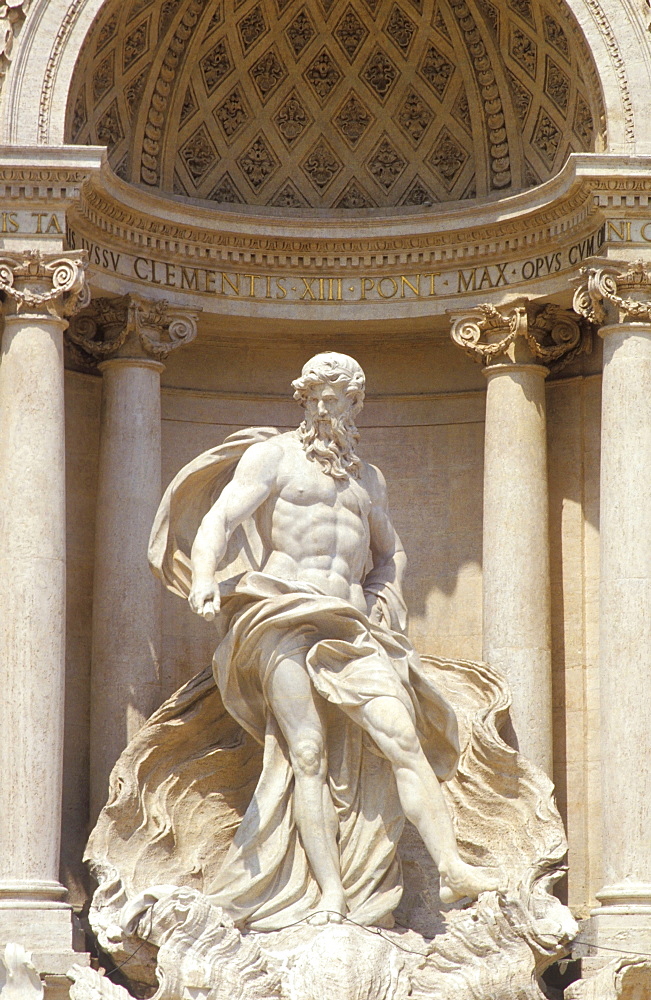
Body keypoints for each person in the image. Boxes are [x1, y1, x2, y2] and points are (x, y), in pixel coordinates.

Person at [149, 351, 498, 929]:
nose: (324, 407)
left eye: (336, 397)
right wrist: (206, 577)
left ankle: (452, 867)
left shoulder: (369, 479)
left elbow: (391, 552)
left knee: (403, 738)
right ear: (303, 400)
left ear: (356, 402)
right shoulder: (273, 457)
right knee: (305, 752)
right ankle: (330, 894)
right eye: (315, 397)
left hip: (352, 625)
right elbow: (219, 519)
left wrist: (388, 598)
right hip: (281, 613)